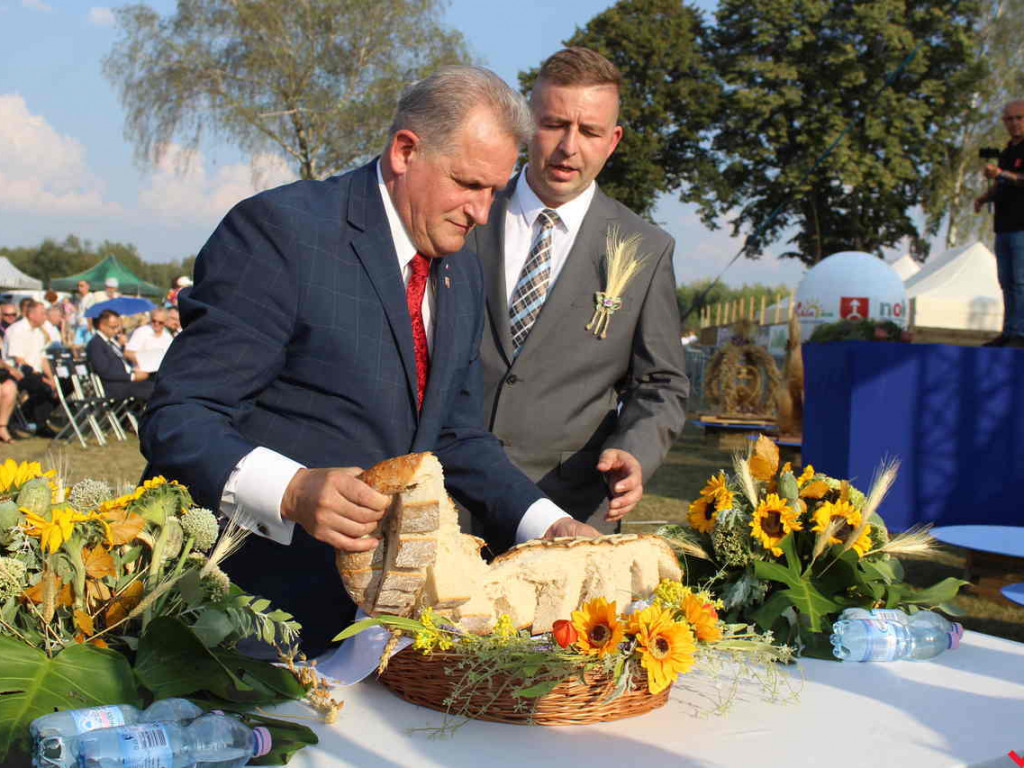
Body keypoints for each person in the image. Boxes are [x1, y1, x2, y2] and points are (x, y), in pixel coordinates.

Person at [140, 66, 597, 657]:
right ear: (406, 150)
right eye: (468, 184)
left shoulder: (460, 268)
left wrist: (546, 524)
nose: (483, 212)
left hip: (380, 632)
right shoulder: (281, 232)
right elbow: (180, 417)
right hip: (242, 617)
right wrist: (293, 490)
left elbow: (455, 437)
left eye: (494, 190)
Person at [465, 48, 689, 534]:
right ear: (527, 125)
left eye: (589, 132)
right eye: (554, 125)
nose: (570, 147)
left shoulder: (645, 250)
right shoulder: (465, 215)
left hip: (570, 509)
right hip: (448, 500)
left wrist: (635, 451)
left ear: (613, 141)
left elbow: (661, 384)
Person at [975, 99, 1024, 348]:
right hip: (1004, 224)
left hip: (1022, 226)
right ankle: (1010, 330)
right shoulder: (1007, 151)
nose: (1014, 123)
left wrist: (1001, 174)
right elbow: (1002, 183)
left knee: (1019, 281)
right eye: (1009, 119)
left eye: (1019, 118)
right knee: (1006, 281)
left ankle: (1020, 332)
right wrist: (983, 197)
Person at [2, 301, 58, 438]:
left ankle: (37, 420)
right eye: (42, 313)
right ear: (31, 315)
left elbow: (42, 359)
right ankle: (33, 420)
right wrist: (44, 380)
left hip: (35, 373)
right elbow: (19, 361)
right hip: (19, 373)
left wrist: (52, 378)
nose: (46, 316)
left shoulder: (39, 332)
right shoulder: (17, 330)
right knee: (45, 387)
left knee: (64, 385)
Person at [86, 309, 153, 401]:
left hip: (126, 382)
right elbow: (105, 372)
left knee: (157, 383)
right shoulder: (96, 344)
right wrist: (132, 377)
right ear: (102, 326)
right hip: (115, 386)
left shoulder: (112, 342)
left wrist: (124, 345)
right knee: (153, 389)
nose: (117, 330)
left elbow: (124, 360)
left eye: (118, 327)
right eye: (113, 327)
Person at [126, 308, 174, 373]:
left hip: (159, 373)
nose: (156, 324)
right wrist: (145, 362)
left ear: (165, 322)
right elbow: (128, 353)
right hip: (142, 373)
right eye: (154, 321)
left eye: (160, 322)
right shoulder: (141, 331)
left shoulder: (168, 337)